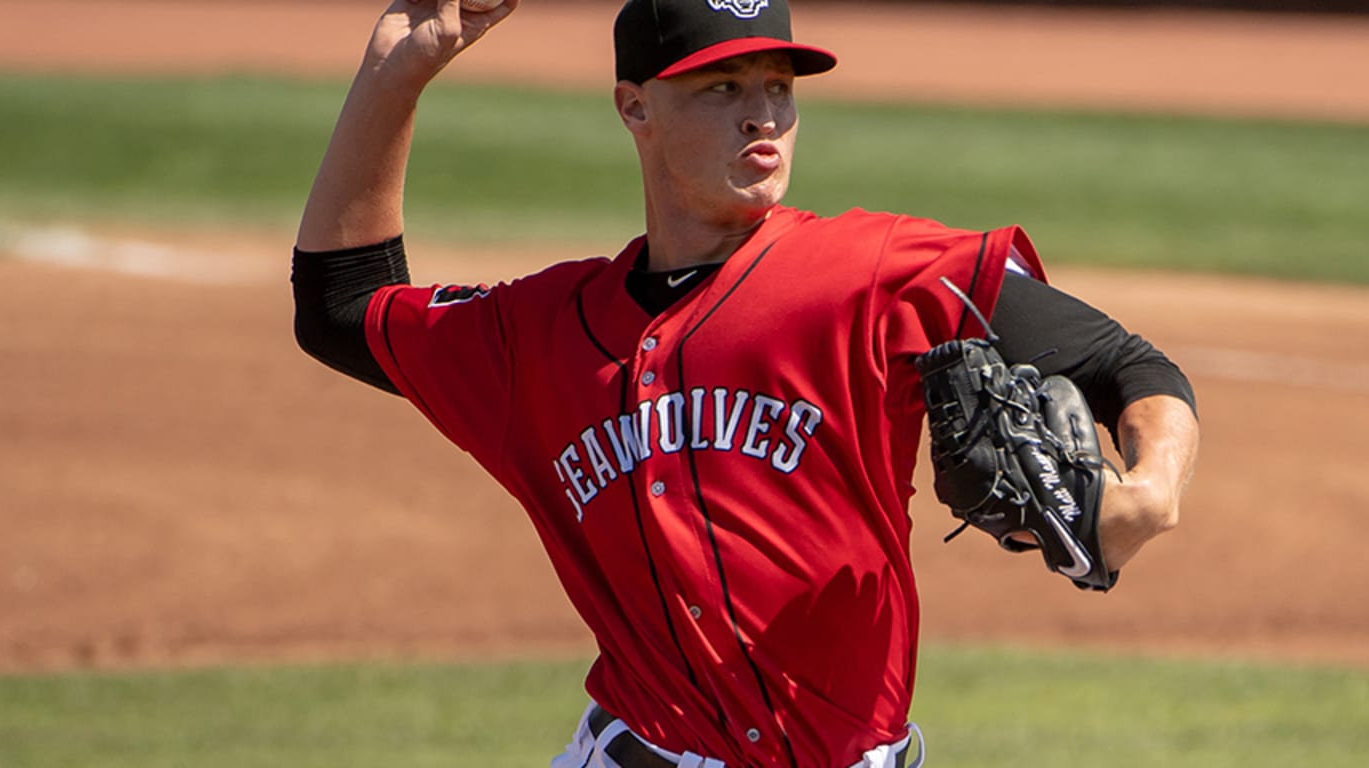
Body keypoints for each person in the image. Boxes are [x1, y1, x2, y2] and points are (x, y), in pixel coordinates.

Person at [291, 1, 1201, 766]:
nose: (761, 115)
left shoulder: (881, 272)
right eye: (722, 87)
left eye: (778, 88)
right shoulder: (538, 334)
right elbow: (343, 307)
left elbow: (1126, 367)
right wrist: (397, 67)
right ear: (634, 106)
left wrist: (1151, 491)